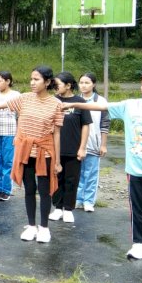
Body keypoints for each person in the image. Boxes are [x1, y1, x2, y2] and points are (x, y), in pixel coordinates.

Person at [65, 69, 142, 262]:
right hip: (135, 168)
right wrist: (72, 104)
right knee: (138, 208)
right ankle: (140, 245)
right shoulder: (131, 106)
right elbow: (101, 107)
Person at [0, 66, 63, 244]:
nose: (32, 83)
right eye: (31, 79)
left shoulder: (56, 104)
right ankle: (31, 225)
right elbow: (1, 105)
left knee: (44, 191)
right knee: (29, 190)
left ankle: (44, 228)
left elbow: (56, 133)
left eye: (37, 79)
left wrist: (57, 161)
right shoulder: (24, 98)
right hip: (25, 151)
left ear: (48, 82)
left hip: (45, 153)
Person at [48, 72, 92, 225]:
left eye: (57, 84)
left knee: (72, 179)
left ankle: (68, 209)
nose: (55, 87)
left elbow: (86, 125)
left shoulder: (80, 102)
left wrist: (82, 147)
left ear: (68, 85)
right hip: (54, 148)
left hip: (74, 148)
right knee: (56, 178)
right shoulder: (52, 101)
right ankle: (57, 207)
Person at [75, 72, 109, 212]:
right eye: (81, 82)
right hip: (76, 144)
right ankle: (77, 199)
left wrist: (103, 144)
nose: (83, 85)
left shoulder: (100, 101)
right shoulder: (75, 100)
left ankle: (88, 200)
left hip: (94, 144)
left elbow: (105, 124)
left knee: (91, 173)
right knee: (77, 173)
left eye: (87, 82)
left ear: (94, 84)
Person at [0, 71, 20, 201]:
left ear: (8, 81)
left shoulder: (16, 95)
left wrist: (18, 134)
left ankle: (6, 189)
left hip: (10, 133)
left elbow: (20, 116)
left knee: (8, 161)